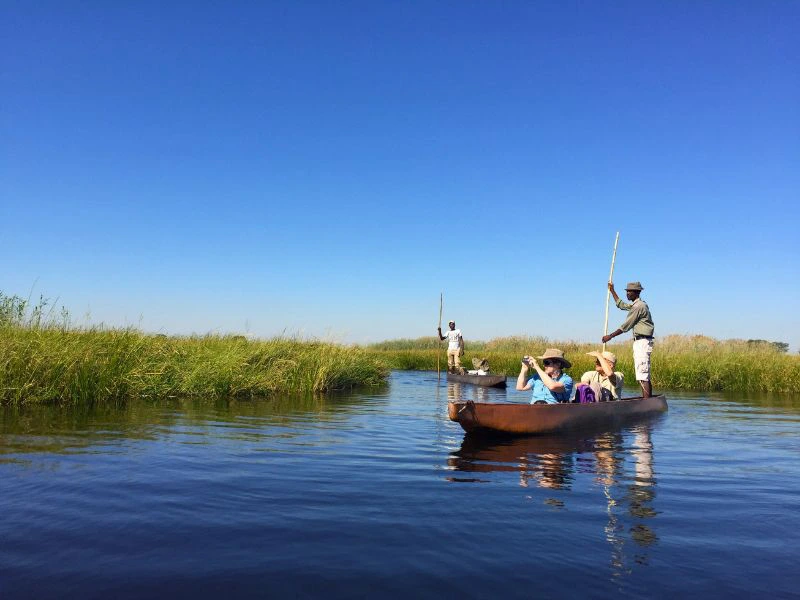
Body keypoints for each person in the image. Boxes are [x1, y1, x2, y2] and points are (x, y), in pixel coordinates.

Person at [602, 281, 654, 398]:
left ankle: (647, 402)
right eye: (627, 291)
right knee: (642, 373)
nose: (627, 294)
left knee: (642, 374)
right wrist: (612, 291)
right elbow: (622, 305)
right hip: (640, 341)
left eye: (629, 291)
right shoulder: (636, 305)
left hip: (642, 341)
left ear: (636, 292)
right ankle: (647, 400)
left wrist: (610, 336)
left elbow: (626, 325)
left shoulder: (639, 306)